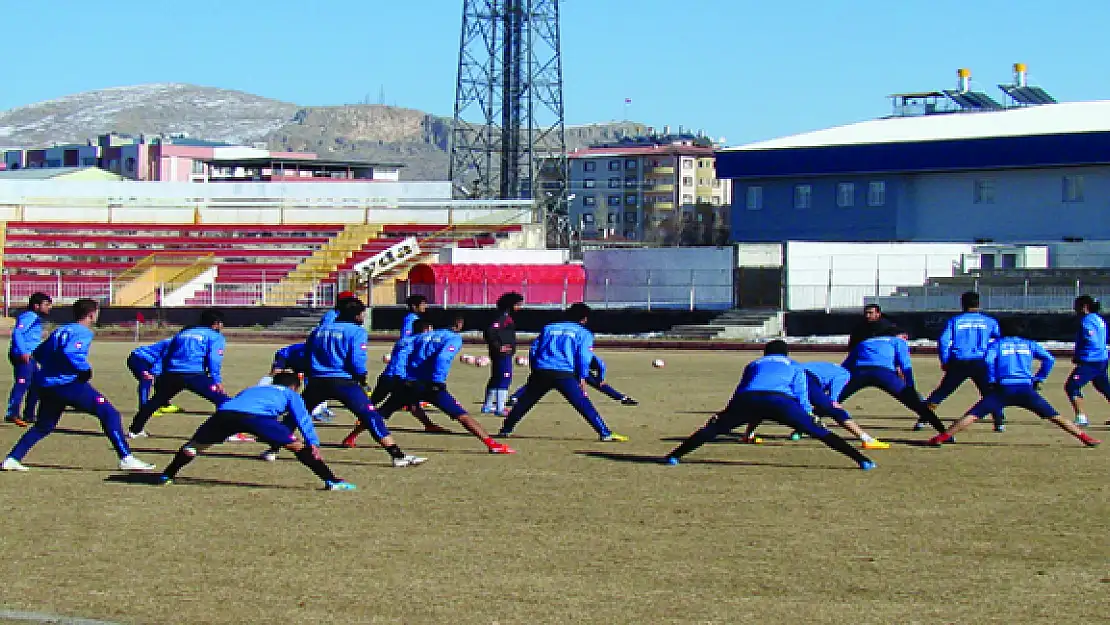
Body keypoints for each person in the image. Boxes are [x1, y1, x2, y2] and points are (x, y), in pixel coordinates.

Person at [262, 298, 425, 467]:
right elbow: (356, 360)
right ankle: (397, 455)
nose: (363, 316)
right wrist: (361, 377)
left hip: (317, 381)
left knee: (296, 415)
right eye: (362, 313)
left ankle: (273, 449)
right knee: (370, 416)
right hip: (343, 381)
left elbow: (308, 356)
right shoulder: (356, 331)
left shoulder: (318, 330)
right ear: (356, 315)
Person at [663, 341, 876, 470]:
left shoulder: (754, 364)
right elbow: (801, 393)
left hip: (749, 399)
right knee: (821, 433)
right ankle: (861, 460)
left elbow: (741, 388)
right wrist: (809, 414)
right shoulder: (794, 365)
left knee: (712, 430)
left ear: (766, 353)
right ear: (786, 353)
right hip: (780, 401)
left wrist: (727, 412)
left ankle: (674, 456)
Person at [1, 299, 156, 472]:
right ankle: (126, 457)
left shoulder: (61, 329)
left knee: (43, 426)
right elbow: (70, 352)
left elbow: (39, 352)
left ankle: (13, 458)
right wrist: (84, 369)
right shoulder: (83, 332)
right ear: (92, 313)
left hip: (46, 384)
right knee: (109, 413)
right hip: (67, 384)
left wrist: (52, 367)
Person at [156, 373, 355, 490]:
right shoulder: (290, 394)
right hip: (257, 418)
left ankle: (167, 475)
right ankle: (331, 480)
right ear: (295, 386)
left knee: (194, 446)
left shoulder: (251, 389)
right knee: (297, 447)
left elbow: (234, 402)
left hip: (225, 414)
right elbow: (302, 419)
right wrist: (313, 443)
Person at [929, 318, 1100, 447]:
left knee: (973, 415)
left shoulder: (996, 345)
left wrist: (991, 379)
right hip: (1025, 388)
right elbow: (1049, 359)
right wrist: (1039, 377)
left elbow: (988, 362)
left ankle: (941, 437)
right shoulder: (1029, 344)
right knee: (1056, 416)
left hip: (1003, 388)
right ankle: (1085, 438)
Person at [375, 314, 515, 454]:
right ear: (458, 324)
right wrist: (438, 380)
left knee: (381, 412)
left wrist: (401, 377)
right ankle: (492, 444)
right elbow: (442, 358)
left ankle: (352, 437)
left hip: (410, 383)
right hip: (431, 385)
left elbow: (403, 356)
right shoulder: (453, 338)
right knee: (461, 415)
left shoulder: (418, 337)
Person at [498, 303, 628, 442]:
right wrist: (583, 377)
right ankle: (605, 433)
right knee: (583, 404)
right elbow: (584, 357)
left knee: (525, 402)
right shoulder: (584, 333)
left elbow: (534, 349)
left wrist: (535, 368)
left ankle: (506, 429)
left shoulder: (548, 328)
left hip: (542, 370)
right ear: (584, 319)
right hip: (564, 373)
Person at [339, 320, 450, 447]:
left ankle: (428, 425)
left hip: (388, 375)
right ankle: (355, 432)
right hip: (399, 377)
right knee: (384, 408)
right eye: (431, 329)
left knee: (407, 403)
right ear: (426, 330)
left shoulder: (404, 341)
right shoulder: (417, 342)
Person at [128, 309, 233, 438]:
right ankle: (229, 432)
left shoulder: (183, 333)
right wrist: (216, 380)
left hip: (172, 374)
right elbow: (214, 359)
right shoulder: (215, 336)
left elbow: (166, 354)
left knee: (154, 402)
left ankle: (135, 430)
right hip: (194, 375)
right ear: (216, 323)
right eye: (221, 323)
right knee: (224, 400)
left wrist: (156, 371)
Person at [741, 360, 890, 449]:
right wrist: (834, 403)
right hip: (807, 378)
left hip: (789, 375)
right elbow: (833, 397)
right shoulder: (845, 374)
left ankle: (749, 434)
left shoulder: (828, 366)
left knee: (765, 403)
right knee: (834, 410)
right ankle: (866, 439)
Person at [923, 292, 1005, 432]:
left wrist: (945, 360)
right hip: (981, 361)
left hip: (959, 361)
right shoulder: (989, 321)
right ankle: (998, 422)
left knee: (943, 391)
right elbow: (999, 341)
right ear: (978, 303)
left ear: (962, 303)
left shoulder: (955, 321)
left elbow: (943, 341)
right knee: (990, 392)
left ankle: (923, 419)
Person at [840, 327, 947, 434]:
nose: (906, 339)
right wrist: (910, 387)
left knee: (834, 399)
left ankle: (822, 414)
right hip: (884, 373)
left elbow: (845, 366)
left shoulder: (864, 342)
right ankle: (944, 432)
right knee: (916, 404)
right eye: (905, 337)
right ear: (898, 335)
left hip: (860, 372)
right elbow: (905, 364)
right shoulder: (897, 341)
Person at [508, 354, 639, 407]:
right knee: (536, 384)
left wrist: (601, 377)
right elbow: (600, 365)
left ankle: (622, 398)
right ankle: (515, 397)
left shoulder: (588, 357)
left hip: (574, 368)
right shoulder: (581, 349)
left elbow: (601, 366)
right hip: (565, 368)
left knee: (599, 383)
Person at [6, 292, 51, 426]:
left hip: (30, 356)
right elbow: (17, 332)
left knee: (36, 385)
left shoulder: (34, 318)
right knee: (22, 384)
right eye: (47, 305)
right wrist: (23, 351)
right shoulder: (29, 316)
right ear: (36, 306)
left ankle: (29, 414)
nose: (49, 307)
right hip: (23, 356)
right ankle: (12, 413)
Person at [1065, 295, 1110, 427]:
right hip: (1101, 359)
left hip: (1091, 361)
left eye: (1077, 305)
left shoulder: (1087, 321)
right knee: (1104, 387)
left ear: (1084, 307)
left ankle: (1081, 417)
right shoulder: (1098, 319)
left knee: (1072, 386)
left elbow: (1092, 340)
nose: (1074, 308)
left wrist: (1082, 355)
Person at [262, 342, 334, 423]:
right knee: (275, 375)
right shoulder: (313, 351)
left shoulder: (325, 353)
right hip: (286, 357)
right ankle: (259, 393)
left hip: (302, 362)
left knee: (316, 382)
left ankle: (318, 411)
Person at [482, 292, 524, 416]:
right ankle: (500, 408)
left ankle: (488, 406)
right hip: (502, 354)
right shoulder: (502, 318)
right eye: (517, 305)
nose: (519, 308)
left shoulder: (504, 317)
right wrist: (498, 347)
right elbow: (490, 332)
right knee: (505, 377)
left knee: (496, 377)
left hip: (501, 353)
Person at [126, 339, 182, 415]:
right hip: (138, 359)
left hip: (152, 361)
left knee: (164, 381)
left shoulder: (185, 344)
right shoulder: (173, 343)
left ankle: (164, 405)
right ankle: (144, 408)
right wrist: (154, 373)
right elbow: (161, 359)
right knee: (146, 379)